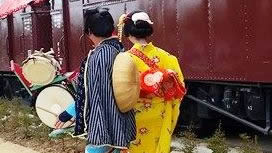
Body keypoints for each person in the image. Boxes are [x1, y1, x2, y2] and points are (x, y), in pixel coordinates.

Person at [55, 8, 136, 153]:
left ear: (90, 32)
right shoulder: (118, 49)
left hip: (104, 124)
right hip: (121, 123)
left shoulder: (98, 56)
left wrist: (69, 112)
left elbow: (93, 94)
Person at [118, 11, 186, 153]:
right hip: (160, 114)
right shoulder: (168, 57)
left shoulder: (124, 60)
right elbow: (179, 89)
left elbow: (118, 91)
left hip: (135, 116)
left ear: (128, 31)